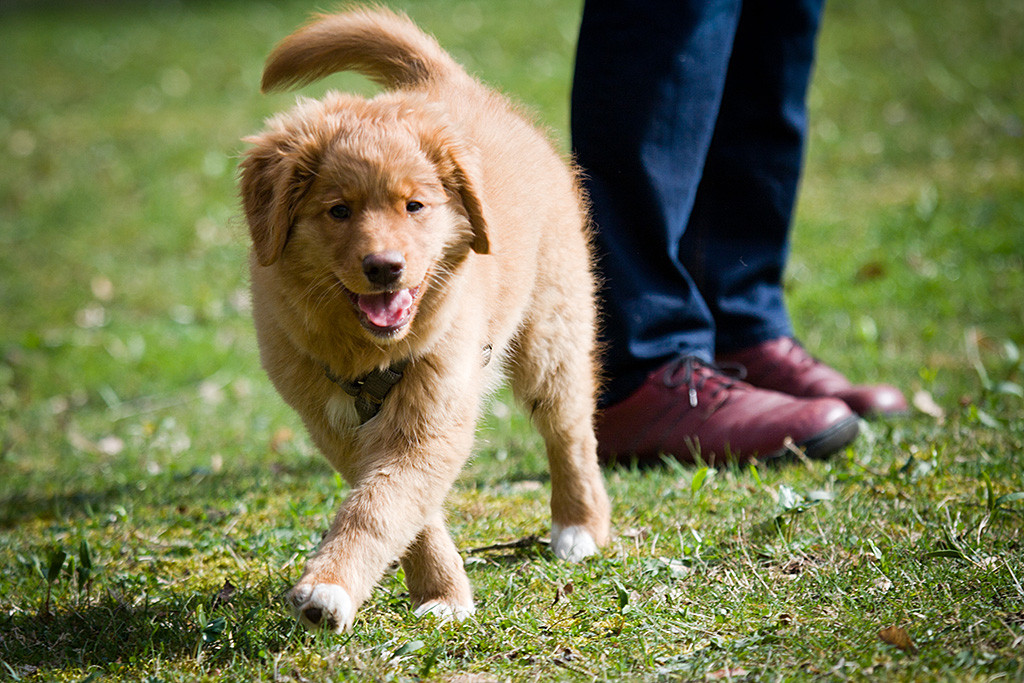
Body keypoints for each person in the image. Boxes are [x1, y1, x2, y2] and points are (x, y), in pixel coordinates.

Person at [570, 0, 907, 464]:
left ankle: (738, 324)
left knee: (774, 29)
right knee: (673, 19)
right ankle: (642, 365)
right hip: (636, 359)